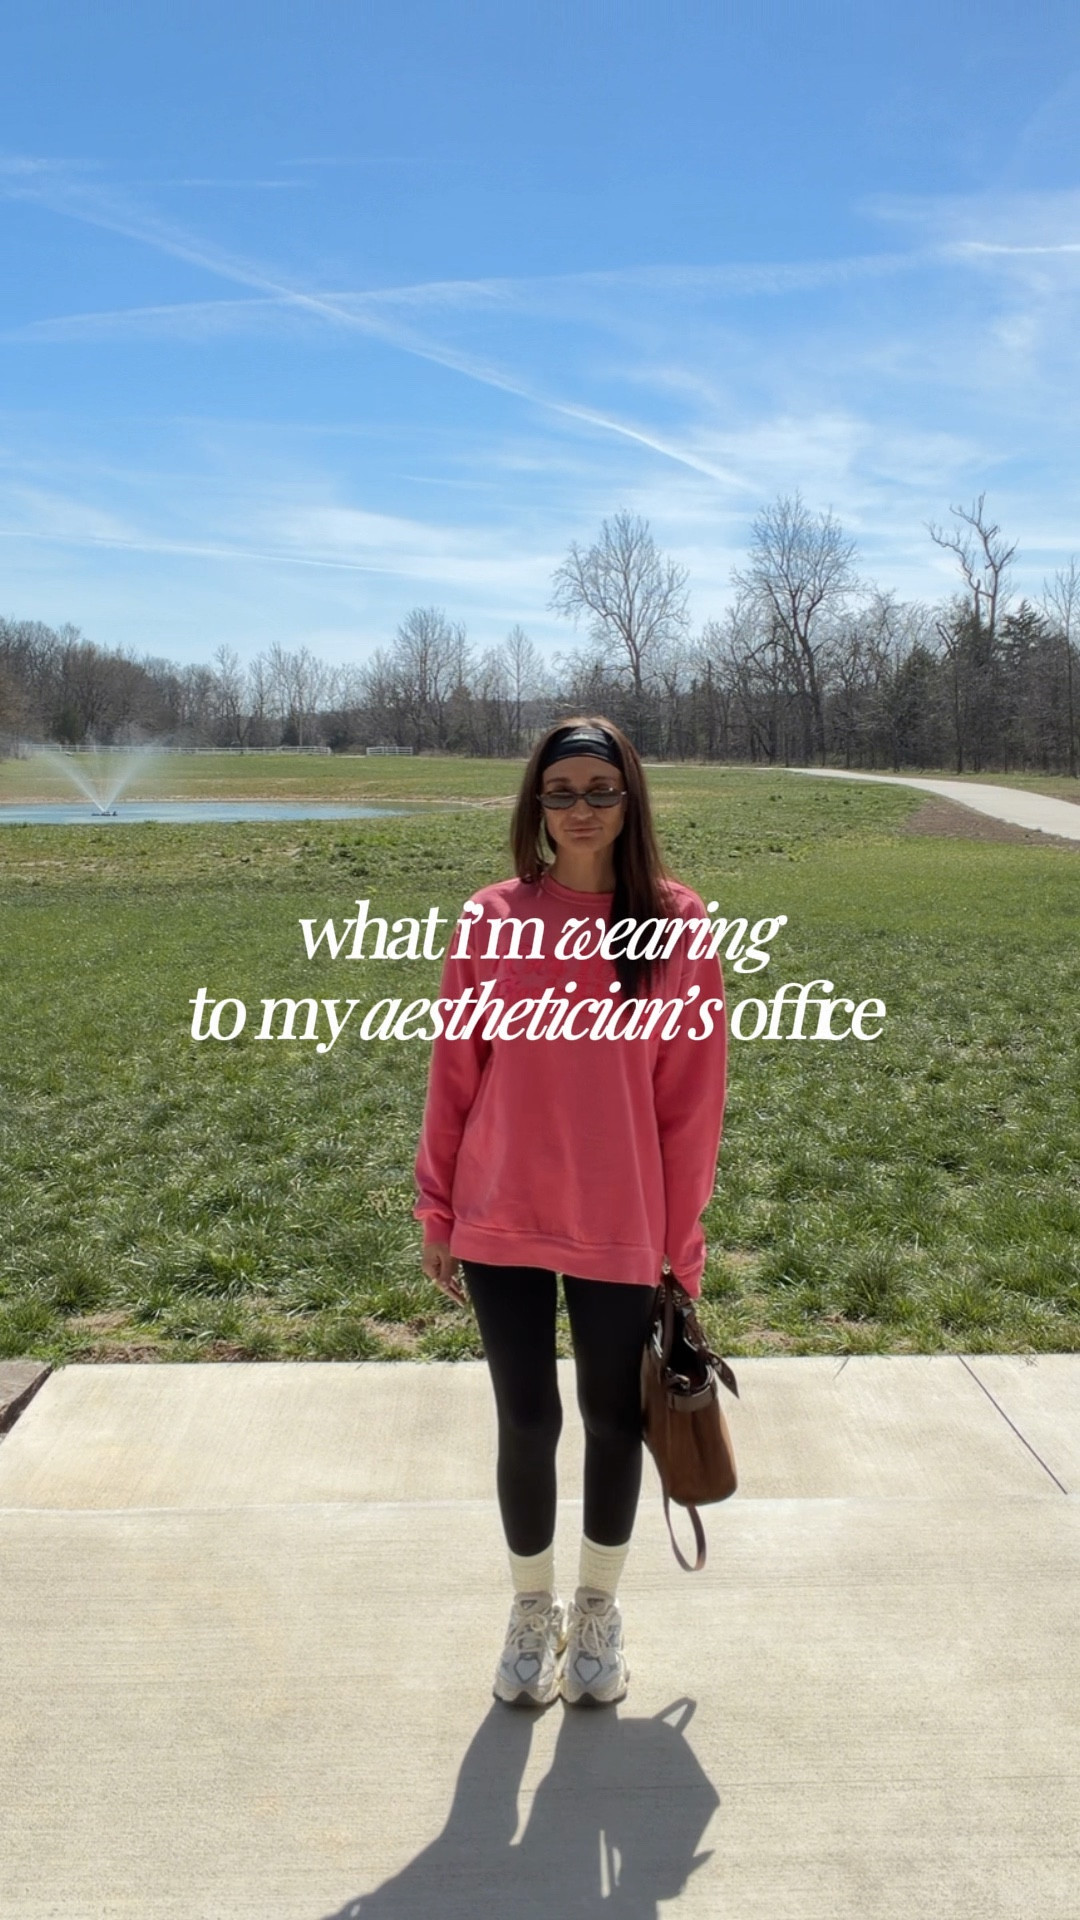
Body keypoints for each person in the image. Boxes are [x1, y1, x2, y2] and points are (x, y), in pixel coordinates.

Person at [413, 718, 727, 1708]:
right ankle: (529, 1610)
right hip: (502, 1212)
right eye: (561, 792)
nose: (581, 809)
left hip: (620, 1220)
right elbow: (453, 1076)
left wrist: (680, 1245)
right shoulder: (490, 918)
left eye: (601, 789)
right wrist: (437, 1208)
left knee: (609, 1418)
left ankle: (597, 1611)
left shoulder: (675, 926)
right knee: (525, 1416)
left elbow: (691, 1106)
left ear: (631, 800)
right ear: (535, 805)